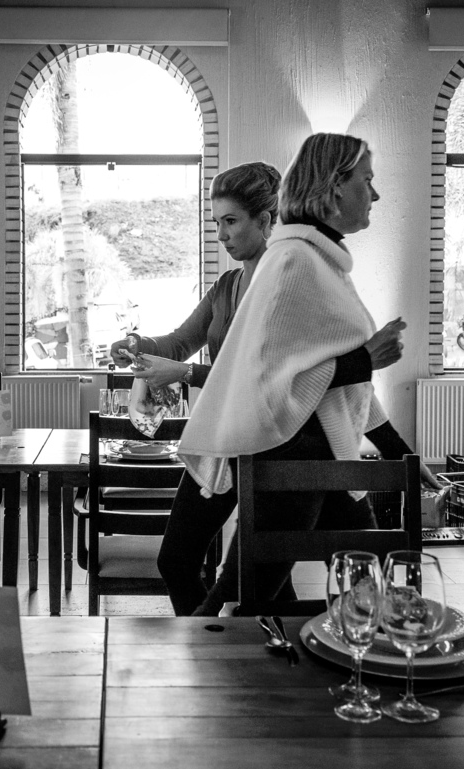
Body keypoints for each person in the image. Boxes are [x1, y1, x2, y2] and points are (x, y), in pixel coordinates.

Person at [176, 132, 441, 615]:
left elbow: (331, 381)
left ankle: (347, 670)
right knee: (236, 605)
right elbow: (271, 373)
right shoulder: (296, 259)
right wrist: (367, 357)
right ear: (335, 186)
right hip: (291, 460)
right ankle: (194, 679)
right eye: (367, 180)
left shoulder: (314, 258)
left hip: (322, 457)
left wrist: (401, 453)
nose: (375, 194)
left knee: (359, 594)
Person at [107, 162, 285, 615]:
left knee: (258, 580)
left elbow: (261, 376)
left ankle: (238, 658)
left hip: (272, 449)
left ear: (265, 221)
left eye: (231, 221)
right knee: (180, 560)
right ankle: (220, 654)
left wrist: (184, 375)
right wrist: (136, 344)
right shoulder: (227, 284)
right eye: (216, 222)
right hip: (223, 441)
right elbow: (181, 342)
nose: (221, 234)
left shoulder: (282, 285)